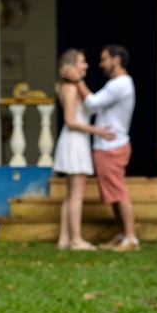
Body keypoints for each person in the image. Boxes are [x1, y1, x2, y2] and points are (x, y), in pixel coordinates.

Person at [61, 44, 138, 252]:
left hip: (113, 145)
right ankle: (122, 234)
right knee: (113, 192)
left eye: (104, 59)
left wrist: (77, 81)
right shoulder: (116, 83)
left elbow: (93, 103)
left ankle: (131, 237)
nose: (100, 64)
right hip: (106, 145)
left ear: (117, 59)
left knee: (119, 192)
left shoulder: (121, 83)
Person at [52, 49, 116, 250]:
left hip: (75, 140)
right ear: (72, 65)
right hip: (75, 140)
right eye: (82, 62)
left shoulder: (70, 87)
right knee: (76, 193)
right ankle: (76, 239)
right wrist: (97, 130)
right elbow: (71, 121)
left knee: (71, 193)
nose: (86, 65)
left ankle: (64, 239)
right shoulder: (70, 89)